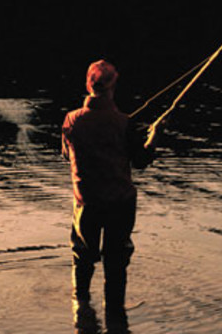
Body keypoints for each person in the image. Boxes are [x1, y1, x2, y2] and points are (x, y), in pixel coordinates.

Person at [62, 60, 157, 332]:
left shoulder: (71, 120)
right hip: (120, 204)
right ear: (113, 86)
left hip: (86, 202)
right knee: (115, 261)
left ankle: (81, 311)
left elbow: (67, 155)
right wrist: (154, 137)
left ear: (88, 85)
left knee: (82, 256)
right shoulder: (125, 123)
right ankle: (115, 317)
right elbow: (141, 160)